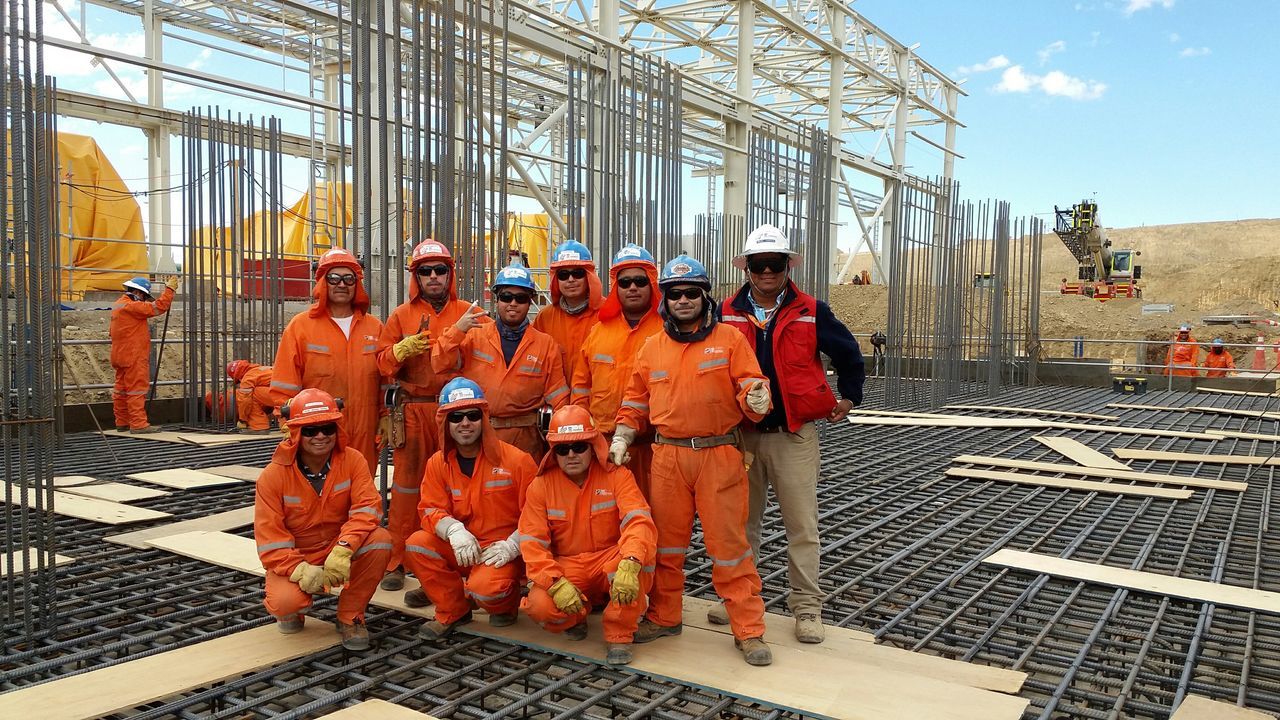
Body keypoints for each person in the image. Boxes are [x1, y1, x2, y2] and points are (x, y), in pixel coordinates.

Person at [612, 254, 774, 666]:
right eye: (674, 293)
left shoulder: (730, 340)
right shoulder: (652, 349)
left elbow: (751, 388)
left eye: (690, 293)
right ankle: (665, 616)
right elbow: (634, 401)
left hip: (719, 454)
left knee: (730, 548)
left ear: (705, 297)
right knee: (665, 547)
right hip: (667, 457)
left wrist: (757, 396)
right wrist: (622, 435)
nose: (682, 300)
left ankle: (748, 630)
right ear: (664, 300)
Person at [716, 223, 865, 644]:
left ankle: (806, 608)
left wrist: (849, 397)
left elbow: (850, 356)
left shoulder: (812, 310)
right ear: (746, 267)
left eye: (774, 264)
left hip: (793, 435)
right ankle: (739, 598)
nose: (767, 272)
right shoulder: (724, 311)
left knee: (802, 526)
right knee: (742, 525)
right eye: (759, 264)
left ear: (786, 266)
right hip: (741, 435)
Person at [253, 388, 392, 651]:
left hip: (337, 546)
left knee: (380, 541)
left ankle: (350, 616)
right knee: (285, 603)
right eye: (310, 430)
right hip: (296, 554)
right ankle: (295, 610)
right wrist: (300, 570)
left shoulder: (352, 461)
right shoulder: (273, 476)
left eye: (327, 428)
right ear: (295, 433)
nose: (320, 436)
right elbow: (270, 540)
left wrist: (344, 548)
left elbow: (368, 508)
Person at [517, 406, 656, 666]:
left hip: (609, 559)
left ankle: (619, 633)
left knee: (637, 566)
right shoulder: (541, 486)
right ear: (553, 452)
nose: (571, 454)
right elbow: (532, 543)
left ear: (593, 446)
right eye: (562, 449)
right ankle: (576, 617)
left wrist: (632, 560)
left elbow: (639, 521)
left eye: (579, 447)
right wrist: (554, 582)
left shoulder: (618, 477)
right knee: (539, 605)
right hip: (568, 565)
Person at [402, 377, 538, 636]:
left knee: (485, 590)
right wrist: (454, 530)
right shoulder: (437, 464)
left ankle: (504, 605)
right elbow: (429, 509)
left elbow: (537, 515)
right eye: (456, 417)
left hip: (502, 552)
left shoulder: (517, 461)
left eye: (472, 416)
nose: (465, 423)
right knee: (417, 544)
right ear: (445, 423)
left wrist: (513, 545)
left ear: (483, 419)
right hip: (464, 548)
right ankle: (453, 610)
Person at [375, 239, 474, 592]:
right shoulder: (401, 316)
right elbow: (382, 363)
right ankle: (397, 560)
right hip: (414, 410)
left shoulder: (466, 312)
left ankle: (446, 561)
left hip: (454, 413)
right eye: (425, 271)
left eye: (440, 270)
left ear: (450, 273)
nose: (433, 276)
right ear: (416, 276)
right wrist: (399, 351)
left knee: (455, 488)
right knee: (404, 489)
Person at [432, 260, 569, 458]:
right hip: (479, 438)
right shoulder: (474, 335)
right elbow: (438, 363)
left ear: (530, 301)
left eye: (520, 298)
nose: (513, 303)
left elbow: (559, 398)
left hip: (526, 441)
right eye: (506, 297)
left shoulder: (545, 345)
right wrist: (457, 331)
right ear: (497, 300)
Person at [272, 248, 387, 473]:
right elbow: (284, 384)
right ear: (323, 282)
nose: (341, 284)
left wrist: (386, 416)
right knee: (319, 496)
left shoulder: (374, 327)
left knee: (361, 494)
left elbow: (386, 381)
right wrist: (286, 422)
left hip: (364, 432)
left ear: (357, 283)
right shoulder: (301, 327)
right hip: (318, 434)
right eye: (334, 278)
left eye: (348, 278)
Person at [570, 243, 664, 496]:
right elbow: (581, 385)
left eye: (640, 281)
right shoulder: (599, 331)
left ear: (651, 283)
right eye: (625, 282)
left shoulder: (666, 331)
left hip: (652, 449)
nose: (632, 287)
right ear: (615, 287)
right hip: (602, 447)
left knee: (654, 519)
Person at [109, 274, 179, 433]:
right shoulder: (132, 307)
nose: (144, 300)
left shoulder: (118, 305)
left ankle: (122, 422)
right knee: (136, 389)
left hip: (119, 354)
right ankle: (138, 424)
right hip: (133, 355)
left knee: (121, 390)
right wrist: (170, 289)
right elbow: (159, 307)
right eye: (144, 297)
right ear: (139, 293)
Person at [532, 240, 603, 380]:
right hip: (557, 401)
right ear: (556, 280)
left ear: (589, 276)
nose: (570, 279)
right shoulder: (545, 318)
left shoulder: (607, 313)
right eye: (563, 275)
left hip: (596, 401)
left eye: (577, 273)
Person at [226, 360, 275, 434]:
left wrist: (242, 419)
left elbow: (245, 401)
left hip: (282, 396)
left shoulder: (248, 378)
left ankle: (259, 427)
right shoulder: (261, 369)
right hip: (294, 395)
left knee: (250, 396)